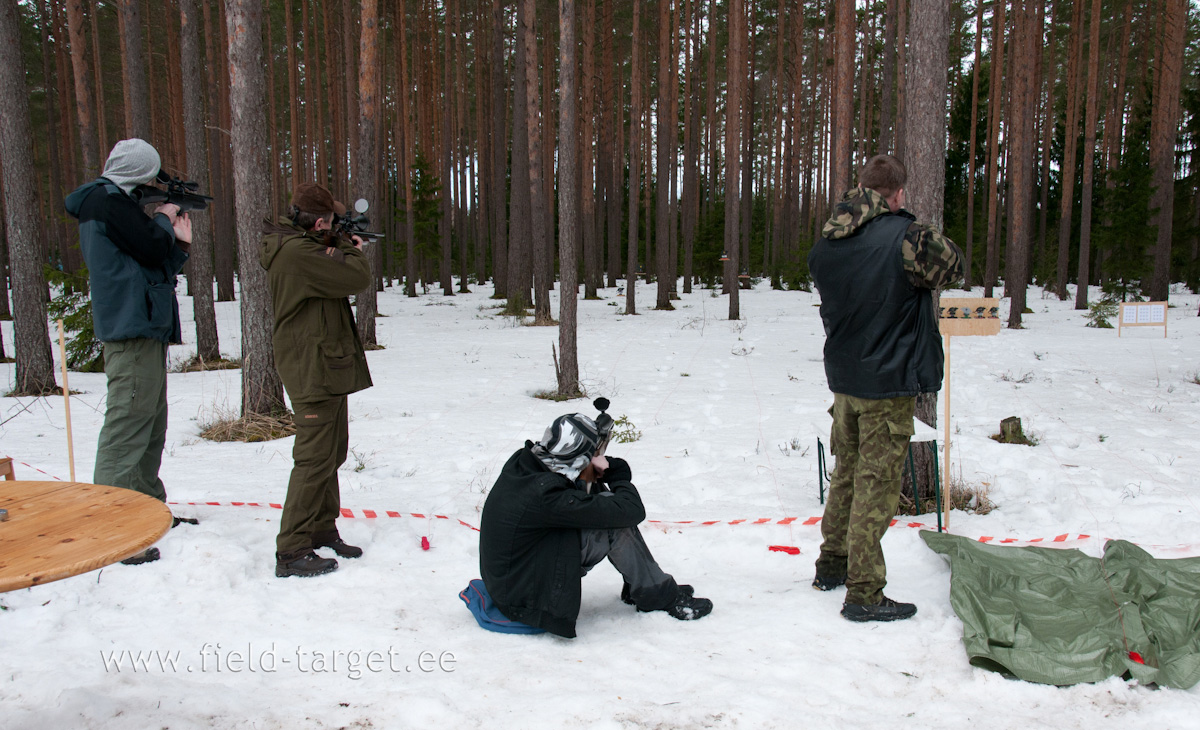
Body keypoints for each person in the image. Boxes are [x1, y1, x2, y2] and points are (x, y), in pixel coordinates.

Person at [807, 154, 964, 622]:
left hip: (845, 378)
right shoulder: (906, 238)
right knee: (875, 486)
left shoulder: (827, 243)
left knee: (847, 474)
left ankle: (831, 564)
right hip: (887, 379)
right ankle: (864, 593)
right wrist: (911, 223)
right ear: (896, 194)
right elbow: (951, 265)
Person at [476, 404, 712, 638]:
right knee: (612, 524)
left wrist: (597, 466)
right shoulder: (546, 496)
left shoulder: (529, 461)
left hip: (513, 576)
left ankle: (644, 586)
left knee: (603, 502)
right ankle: (656, 595)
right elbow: (630, 510)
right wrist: (619, 478)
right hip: (524, 596)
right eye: (591, 455)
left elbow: (574, 475)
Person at [65, 139, 193, 566]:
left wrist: (180, 242)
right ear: (139, 174)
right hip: (130, 324)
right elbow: (151, 247)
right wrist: (162, 219)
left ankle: (146, 510)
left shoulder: (115, 204)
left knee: (150, 420)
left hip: (143, 323)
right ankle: (112, 526)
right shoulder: (106, 202)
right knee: (128, 423)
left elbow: (154, 263)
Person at [261, 183, 373, 578]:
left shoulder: (302, 246)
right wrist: (348, 248)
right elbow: (356, 276)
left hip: (322, 362)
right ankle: (291, 550)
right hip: (311, 365)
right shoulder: (298, 253)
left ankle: (322, 527)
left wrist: (335, 243)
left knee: (331, 452)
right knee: (312, 459)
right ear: (320, 222)